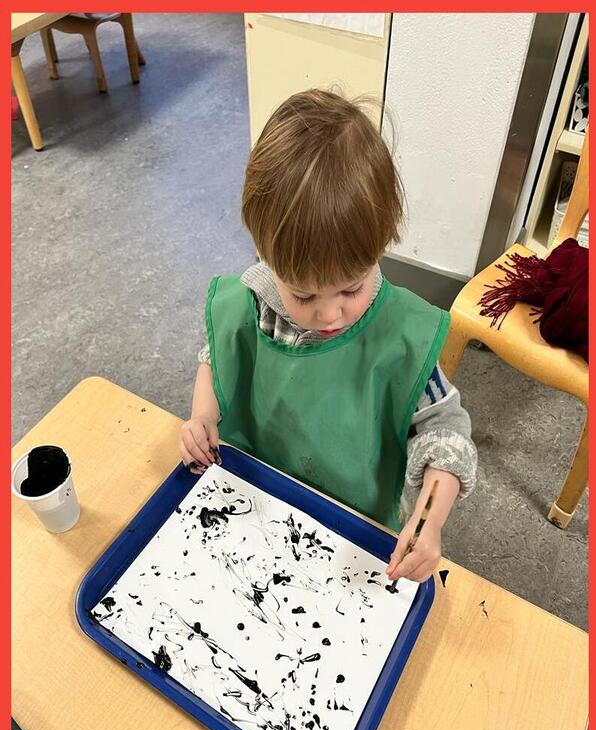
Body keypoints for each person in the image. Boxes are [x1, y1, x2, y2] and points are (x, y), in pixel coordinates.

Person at [180, 89, 477, 583]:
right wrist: (202, 417)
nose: (328, 314)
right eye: (302, 295)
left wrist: (429, 521)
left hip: (352, 541)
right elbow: (217, 356)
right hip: (253, 507)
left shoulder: (402, 338)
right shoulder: (251, 302)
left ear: (382, 245)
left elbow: (446, 434)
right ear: (265, 254)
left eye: (350, 288)